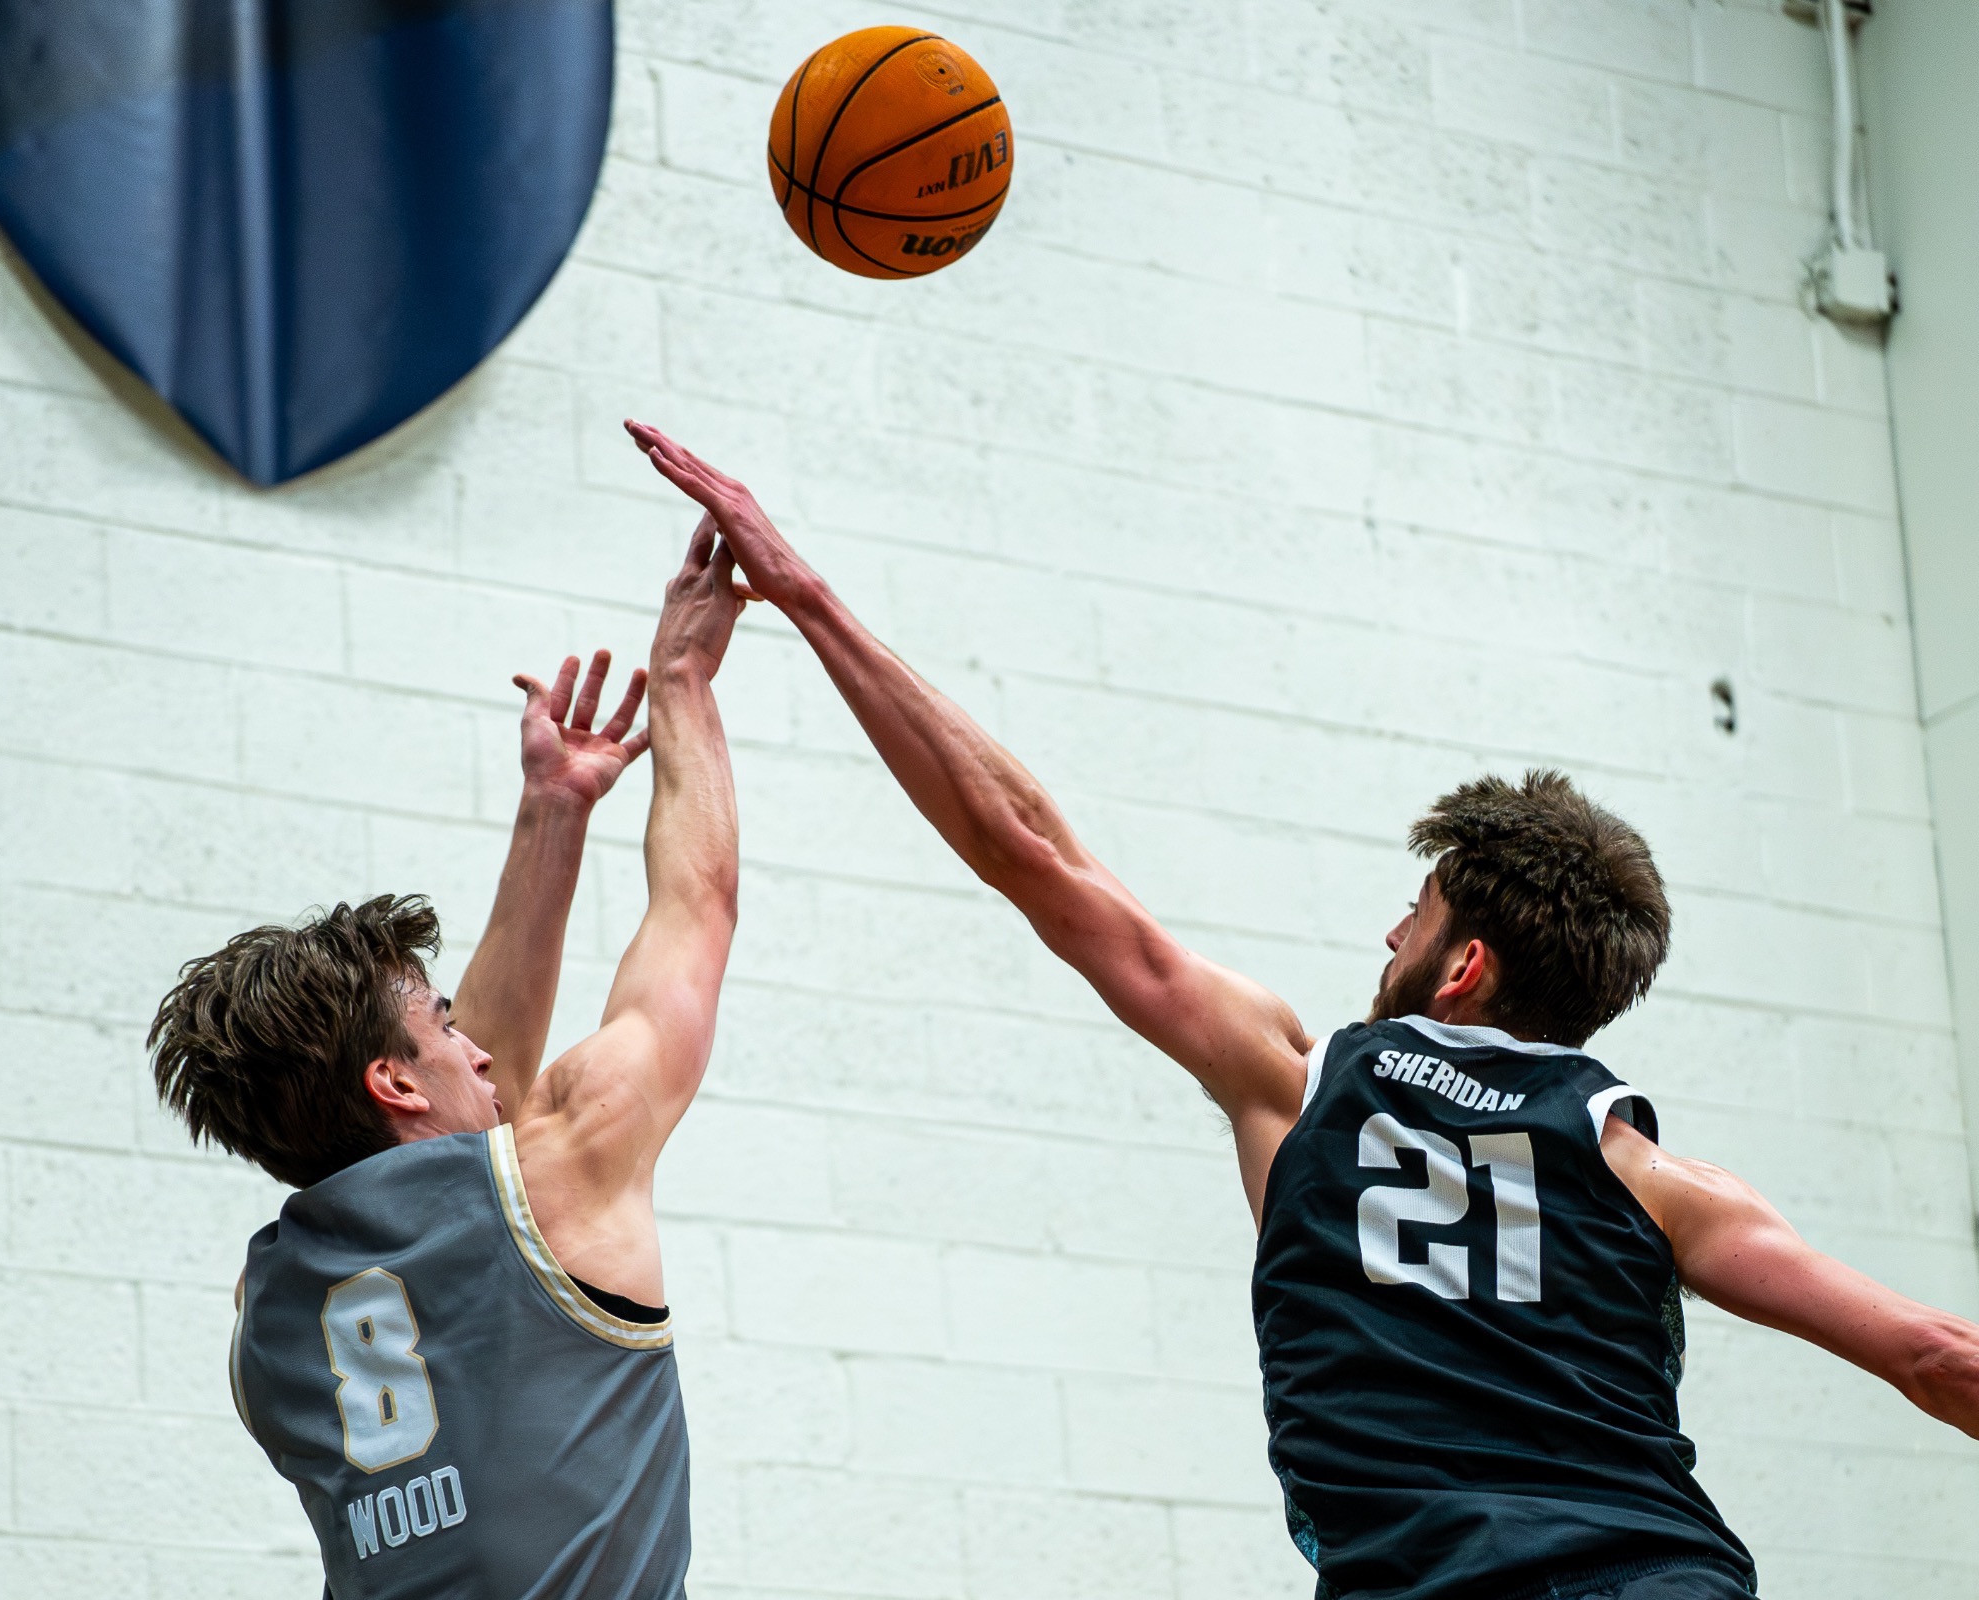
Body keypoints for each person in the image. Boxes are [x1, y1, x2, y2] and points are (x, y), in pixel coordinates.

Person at [629, 422, 1979, 1600]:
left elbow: (1027, 851)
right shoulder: (1664, 1179)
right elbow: (1932, 1354)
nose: (1389, 931)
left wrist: (806, 596)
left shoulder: (1307, 1079)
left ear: (1463, 969)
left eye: (1419, 912)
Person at [149, 520, 745, 1599]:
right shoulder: (561, 1169)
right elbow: (695, 910)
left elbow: (466, 1134)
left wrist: (554, 808)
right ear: (393, 1080)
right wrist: (683, 682)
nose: (479, 1046)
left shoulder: (265, 1311)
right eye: (441, 1025)